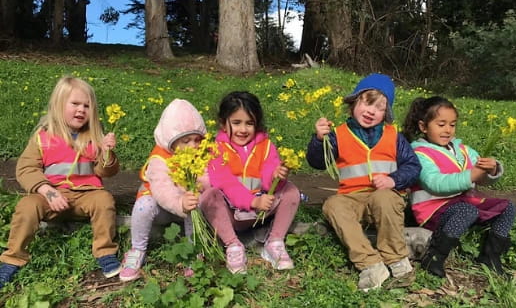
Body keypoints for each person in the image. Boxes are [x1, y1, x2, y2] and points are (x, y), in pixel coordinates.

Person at [0, 76, 121, 289]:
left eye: (87, 105)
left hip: (86, 195)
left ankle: (105, 252)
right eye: (75, 104)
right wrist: (47, 191)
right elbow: (26, 169)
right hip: (51, 196)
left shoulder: (94, 138)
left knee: (104, 200)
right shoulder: (43, 137)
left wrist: (107, 153)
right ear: (58, 105)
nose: (81, 110)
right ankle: (13, 258)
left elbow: (106, 172)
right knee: (27, 206)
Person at [306, 73, 421, 291]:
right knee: (333, 205)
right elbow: (317, 162)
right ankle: (371, 264)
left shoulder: (393, 135)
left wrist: (393, 179)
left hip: (385, 197)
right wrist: (318, 140)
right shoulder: (338, 134)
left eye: (379, 108)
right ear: (353, 102)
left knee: (384, 198)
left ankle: (397, 259)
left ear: (386, 114)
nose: (371, 111)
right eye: (366, 103)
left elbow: (413, 167)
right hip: (351, 199)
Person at [402, 96, 516, 277]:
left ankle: (491, 256)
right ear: (423, 127)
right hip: (433, 211)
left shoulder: (464, 150)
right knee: (466, 211)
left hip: (466, 204)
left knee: (508, 207)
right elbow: (435, 184)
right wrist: (471, 175)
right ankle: (435, 256)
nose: (448, 130)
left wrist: (492, 170)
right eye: (441, 125)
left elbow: (481, 179)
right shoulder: (419, 153)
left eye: (452, 125)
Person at [199, 91, 301, 274]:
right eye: (236, 123)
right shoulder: (215, 148)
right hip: (232, 215)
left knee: (291, 190)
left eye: (250, 123)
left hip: (262, 211)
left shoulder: (266, 145)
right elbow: (225, 182)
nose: (243, 130)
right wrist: (252, 201)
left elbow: (269, 175)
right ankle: (233, 245)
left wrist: (277, 175)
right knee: (208, 196)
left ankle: (275, 242)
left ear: (257, 124)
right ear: (223, 124)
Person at [119, 99, 208, 282]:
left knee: (195, 203)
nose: (194, 146)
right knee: (144, 204)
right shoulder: (159, 159)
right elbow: (162, 189)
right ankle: (137, 249)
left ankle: (194, 251)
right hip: (163, 209)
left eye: (197, 139)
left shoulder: (203, 154)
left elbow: (209, 178)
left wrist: (196, 189)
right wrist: (179, 203)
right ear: (171, 141)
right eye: (186, 141)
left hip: (189, 208)